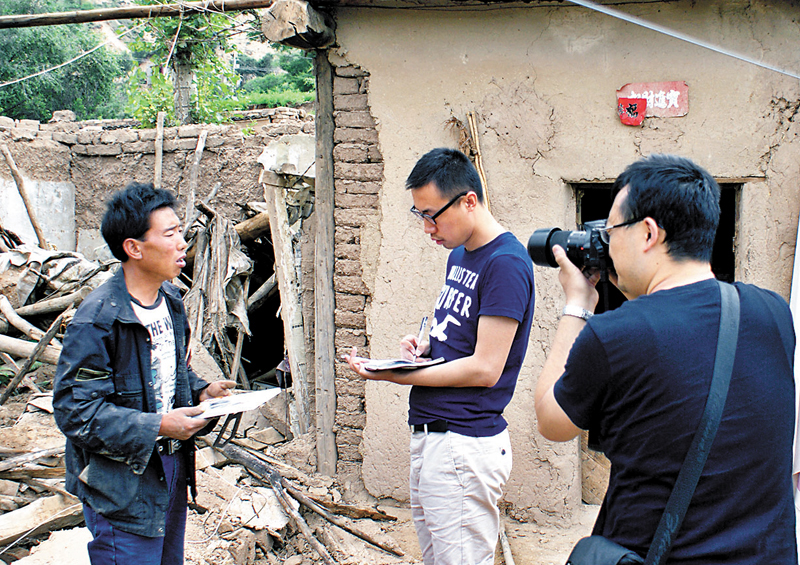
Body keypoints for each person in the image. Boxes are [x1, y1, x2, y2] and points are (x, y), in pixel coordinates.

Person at [535, 154, 797, 563]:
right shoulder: (774, 313)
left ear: (648, 233)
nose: (608, 243)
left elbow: (552, 421)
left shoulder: (614, 335)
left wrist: (577, 305)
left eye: (611, 230)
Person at [346, 148, 535, 565]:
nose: (427, 227)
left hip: (464, 442)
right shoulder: (460, 256)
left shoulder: (505, 263)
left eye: (432, 214)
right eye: (419, 216)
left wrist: (396, 376)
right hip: (434, 435)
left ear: (469, 200)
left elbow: (486, 368)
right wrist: (427, 347)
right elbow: (461, 337)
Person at [53, 182, 236, 565]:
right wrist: (156, 426)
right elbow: (75, 412)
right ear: (134, 248)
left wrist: (202, 392)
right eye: (169, 234)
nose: (182, 243)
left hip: (170, 470)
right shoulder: (98, 320)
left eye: (180, 232)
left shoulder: (170, 301)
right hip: (120, 483)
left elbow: (170, 373)